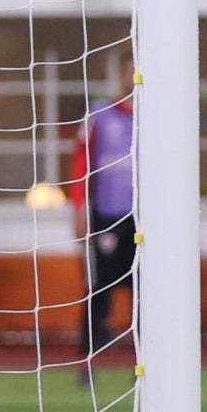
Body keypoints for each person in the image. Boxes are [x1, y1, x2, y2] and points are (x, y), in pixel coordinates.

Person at [65, 56, 135, 384]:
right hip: (106, 215)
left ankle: (148, 364)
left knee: (148, 291)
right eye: (129, 69)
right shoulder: (99, 115)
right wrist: (77, 208)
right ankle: (87, 362)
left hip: (146, 220)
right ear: (121, 73)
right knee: (97, 289)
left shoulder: (157, 118)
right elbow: (81, 163)